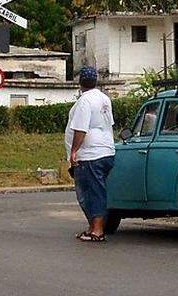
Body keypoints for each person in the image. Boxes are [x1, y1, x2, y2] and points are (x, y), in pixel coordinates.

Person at [65, 66, 115, 242]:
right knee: (94, 190)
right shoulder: (104, 99)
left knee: (90, 193)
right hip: (106, 151)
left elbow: (81, 129)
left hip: (91, 155)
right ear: (96, 81)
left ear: (80, 82)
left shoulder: (85, 101)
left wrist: (73, 151)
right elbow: (109, 124)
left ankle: (98, 231)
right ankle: (93, 227)